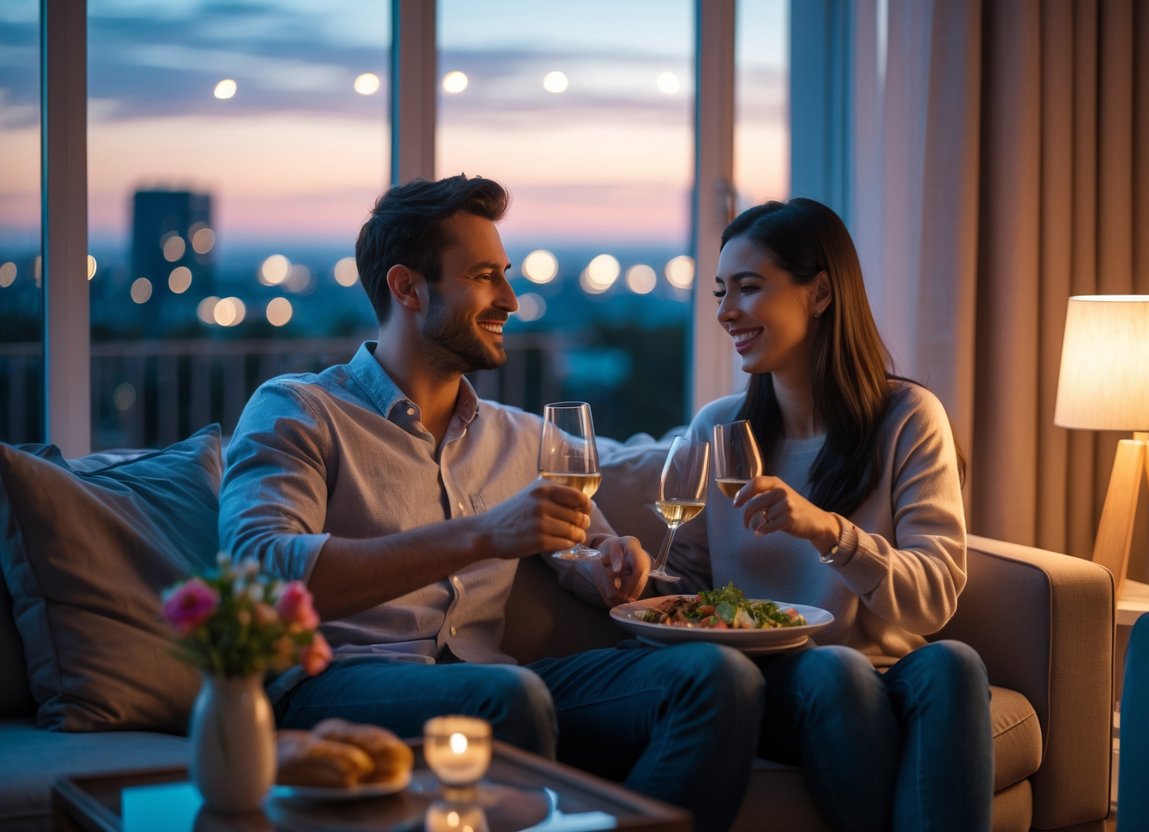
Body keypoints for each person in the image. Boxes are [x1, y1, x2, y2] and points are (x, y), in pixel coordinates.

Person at [218, 174, 763, 831]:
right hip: (332, 686)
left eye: (503, 275)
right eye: (483, 276)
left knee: (718, 679)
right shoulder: (300, 410)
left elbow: (590, 558)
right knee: (508, 694)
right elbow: (262, 576)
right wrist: (482, 534)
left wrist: (611, 568)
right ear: (407, 288)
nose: (509, 298)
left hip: (497, 683)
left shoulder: (524, 436)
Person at [665, 198, 994, 831]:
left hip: (889, 679)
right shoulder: (718, 429)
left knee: (955, 661)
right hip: (780, 688)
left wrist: (827, 530)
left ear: (819, 293)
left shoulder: (907, 419)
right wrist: (632, 572)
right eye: (719, 292)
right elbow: (683, 592)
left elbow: (934, 602)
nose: (725, 311)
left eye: (749, 288)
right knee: (832, 665)